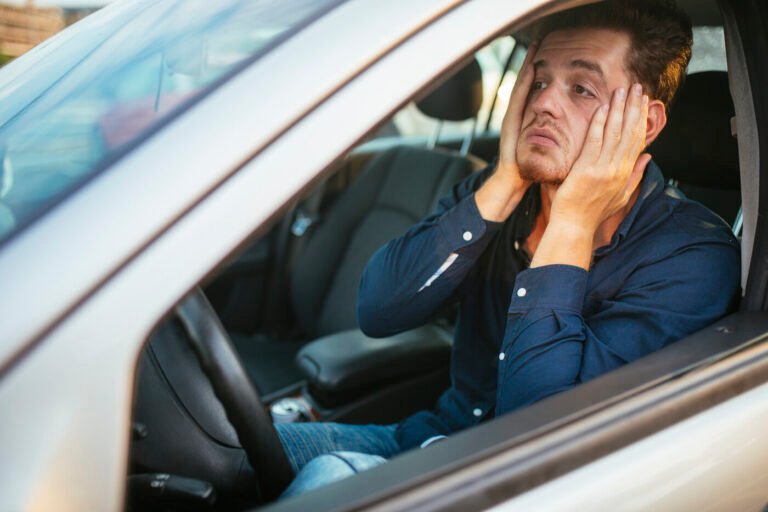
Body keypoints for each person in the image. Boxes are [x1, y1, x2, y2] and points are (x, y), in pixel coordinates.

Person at [275, 0, 741, 497]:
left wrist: (572, 222)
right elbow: (377, 309)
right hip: (427, 441)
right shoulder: (501, 193)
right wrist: (503, 180)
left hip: (511, 485)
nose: (544, 103)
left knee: (326, 483)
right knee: (219, 449)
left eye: (581, 88)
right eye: (539, 82)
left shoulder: (693, 257)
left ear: (644, 125)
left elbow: (539, 437)